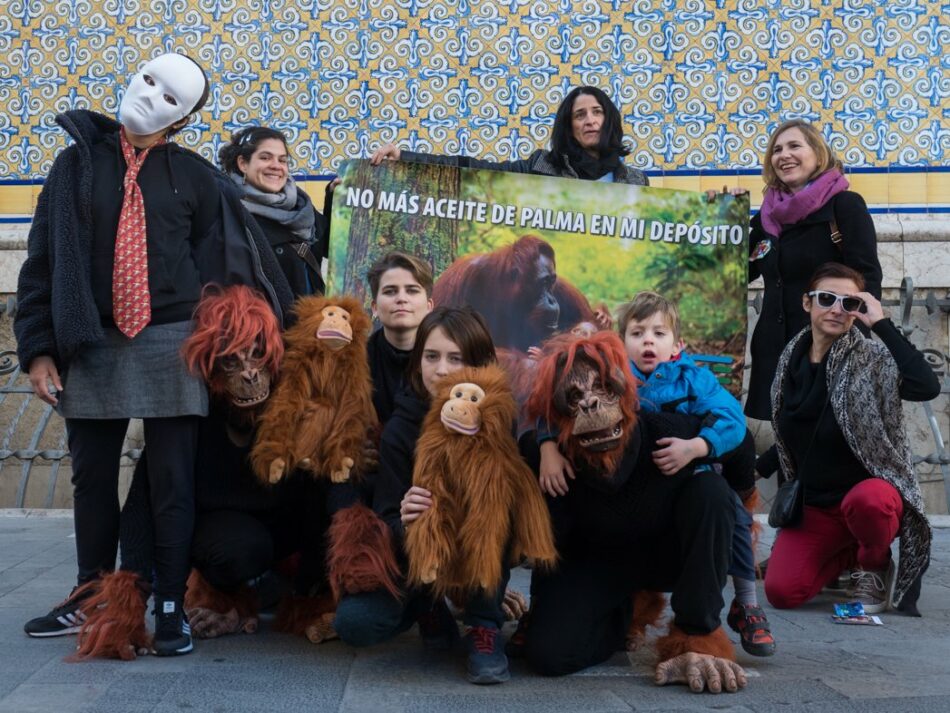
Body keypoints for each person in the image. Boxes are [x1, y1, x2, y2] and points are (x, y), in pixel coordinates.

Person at [15, 53, 291, 655]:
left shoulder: (196, 177)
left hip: (171, 339)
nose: (149, 96)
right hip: (92, 338)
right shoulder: (73, 168)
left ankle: (168, 604)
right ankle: (93, 597)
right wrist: (37, 350)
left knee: (173, 481)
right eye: (146, 80)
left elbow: (226, 262)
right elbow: (42, 262)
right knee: (91, 479)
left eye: (171, 97)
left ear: (185, 118)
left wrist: (242, 339)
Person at [536, 291, 774, 657]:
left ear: (677, 344)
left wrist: (697, 446)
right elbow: (553, 403)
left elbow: (733, 424)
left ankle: (731, 609)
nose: (648, 341)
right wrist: (547, 444)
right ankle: (614, 611)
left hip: (680, 493)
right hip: (618, 510)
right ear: (620, 341)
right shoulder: (609, 376)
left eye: (659, 334)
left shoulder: (694, 380)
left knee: (721, 502)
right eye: (637, 333)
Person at [332, 307, 514, 685]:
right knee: (355, 624)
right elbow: (385, 517)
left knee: (492, 512)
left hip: (477, 547)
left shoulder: (499, 419)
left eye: (456, 358)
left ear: (478, 364)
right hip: (419, 555)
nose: (442, 370)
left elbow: (516, 511)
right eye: (432, 357)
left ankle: (484, 627)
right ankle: (427, 607)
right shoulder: (401, 428)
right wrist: (405, 516)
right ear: (417, 363)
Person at [764, 263, 938, 615]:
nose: (836, 309)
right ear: (806, 303)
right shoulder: (790, 361)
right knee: (782, 592)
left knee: (869, 500)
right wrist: (747, 469)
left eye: (849, 303)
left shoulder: (872, 359)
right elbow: (795, 432)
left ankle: (873, 564)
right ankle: (847, 556)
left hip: (866, 498)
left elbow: (926, 385)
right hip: (816, 506)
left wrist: (881, 324)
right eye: (826, 298)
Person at [746, 119, 882, 421]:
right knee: (786, 450)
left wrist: (849, 336)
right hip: (777, 351)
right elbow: (738, 272)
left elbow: (868, 278)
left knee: (827, 451)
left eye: (795, 146)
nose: (784, 155)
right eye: (776, 150)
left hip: (828, 348)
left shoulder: (844, 206)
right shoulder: (767, 217)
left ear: (818, 155)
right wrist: (721, 218)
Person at [370, 85, 648, 185]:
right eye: (580, 115)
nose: (590, 121)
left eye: (597, 112)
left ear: (608, 119)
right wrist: (406, 157)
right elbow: (476, 169)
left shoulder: (635, 181)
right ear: (569, 126)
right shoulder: (541, 167)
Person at [219, 126, 329, 296]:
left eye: (282, 160)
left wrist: (335, 196)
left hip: (312, 320)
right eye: (265, 158)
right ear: (243, 164)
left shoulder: (301, 207)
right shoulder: (231, 213)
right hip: (265, 320)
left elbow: (332, 247)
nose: (276, 166)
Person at [365, 252, 434, 426]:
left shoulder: (448, 361)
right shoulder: (357, 361)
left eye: (412, 290)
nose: (401, 299)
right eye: (390, 291)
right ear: (375, 307)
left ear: (429, 306)